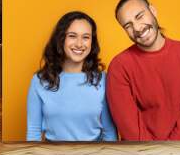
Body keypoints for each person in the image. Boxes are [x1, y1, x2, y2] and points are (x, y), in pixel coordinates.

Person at [106, 0, 180, 141]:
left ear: (153, 11)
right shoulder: (119, 66)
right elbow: (128, 125)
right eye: (128, 26)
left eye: (140, 16)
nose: (137, 28)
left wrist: (169, 151)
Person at [27, 11, 117, 142]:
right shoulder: (39, 81)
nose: (79, 44)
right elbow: (33, 132)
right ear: (61, 39)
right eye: (72, 36)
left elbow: (110, 133)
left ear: (92, 42)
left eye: (86, 37)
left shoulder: (103, 79)